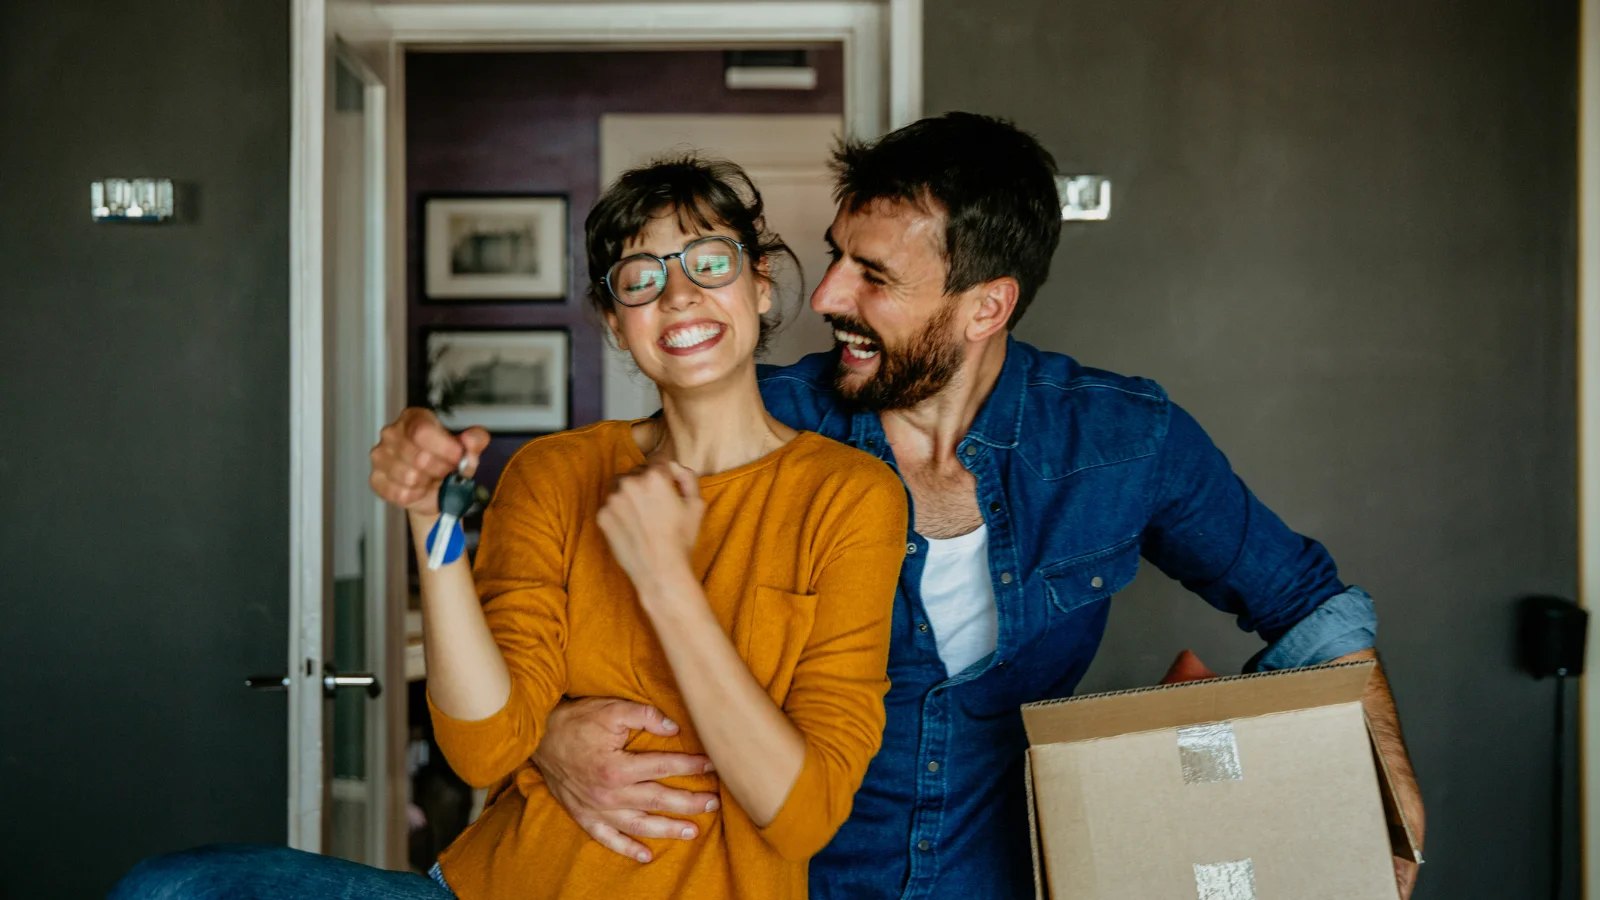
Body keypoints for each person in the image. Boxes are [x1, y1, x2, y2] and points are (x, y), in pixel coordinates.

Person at [377, 113, 1427, 900]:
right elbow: (571, 640)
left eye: (869, 275)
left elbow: (1305, 602)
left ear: (984, 305)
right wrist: (542, 734)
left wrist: (1384, 808)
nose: (827, 297)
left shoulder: (1121, 439)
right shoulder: (769, 428)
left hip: (1003, 879)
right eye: (832, 258)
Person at [110, 156, 908, 900]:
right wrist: (434, 525)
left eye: (708, 261)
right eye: (640, 277)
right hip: (496, 883)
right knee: (170, 887)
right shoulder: (553, 473)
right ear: (612, 318)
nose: (678, 297)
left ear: (760, 284)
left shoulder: (851, 497)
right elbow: (484, 748)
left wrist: (667, 582)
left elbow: (803, 815)